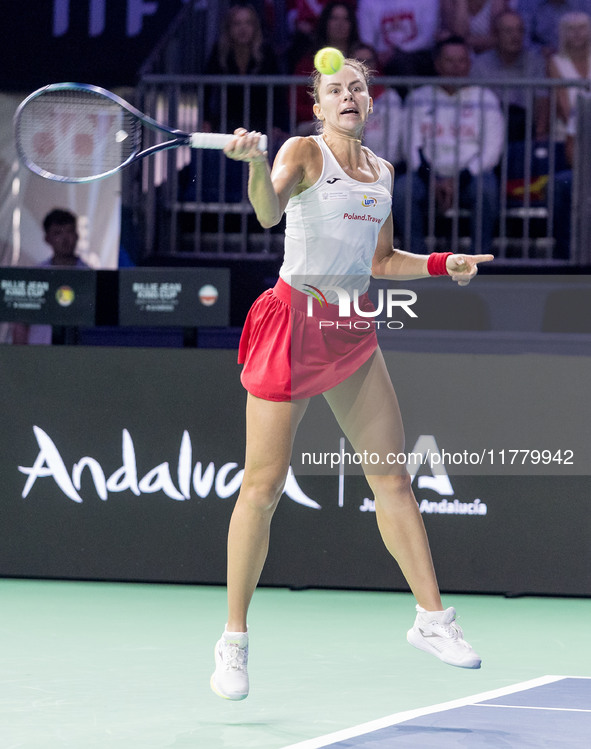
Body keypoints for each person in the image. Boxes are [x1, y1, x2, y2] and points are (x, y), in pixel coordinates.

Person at [209, 57, 493, 701]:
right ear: (318, 104)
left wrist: (445, 263)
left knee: (391, 476)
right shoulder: (303, 152)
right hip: (292, 323)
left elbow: (384, 261)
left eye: (358, 88)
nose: (348, 95)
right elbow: (267, 214)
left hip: (352, 328)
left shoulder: (382, 172)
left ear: (371, 103)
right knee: (262, 486)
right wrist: (256, 166)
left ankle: (432, 620)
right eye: (335, 89)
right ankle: (233, 641)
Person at [393, 36, 505, 254]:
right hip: (426, 175)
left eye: (461, 61)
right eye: (449, 61)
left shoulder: (486, 98)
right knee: (402, 191)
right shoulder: (419, 97)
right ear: (437, 64)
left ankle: (478, 260)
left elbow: (491, 150)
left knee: (487, 190)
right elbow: (411, 146)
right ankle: (417, 260)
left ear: (469, 64)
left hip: (472, 176)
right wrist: (432, 179)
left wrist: (458, 180)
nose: (456, 67)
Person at [11, 209, 89, 346]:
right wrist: (20, 359)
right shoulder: (35, 275)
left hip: (79, 356)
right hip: (39, 354)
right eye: (58, 233)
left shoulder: (90, 276)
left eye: (69, 231)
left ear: (77, 235)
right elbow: (21, 324)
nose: (65, 239)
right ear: (47, 238)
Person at [471, 9, 549, 141]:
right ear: (495, 35)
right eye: (508, 31)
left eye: (520, 30)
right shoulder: (480, 64)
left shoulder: (535, 62)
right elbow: (473, 104)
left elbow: (543, 100)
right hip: (488, 130)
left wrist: (540, 133)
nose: (516, 36)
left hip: (525, 130)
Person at [293, 2, 361, 132]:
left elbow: (378, 92)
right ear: (325, 23)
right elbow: (296, 103)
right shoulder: (308, 62)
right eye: (334, 18)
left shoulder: (362, 57)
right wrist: (326, 114)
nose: (340, 24)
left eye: (345, 19)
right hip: (315, 123)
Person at [355, 0, 446, 77]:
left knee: (405, 63)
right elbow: (367, 41)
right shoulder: (367, 2)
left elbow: (427, 38)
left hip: (418, 56)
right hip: (380, 57)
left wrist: (397, 50)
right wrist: (377, 54)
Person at [548, 11, 591, 141]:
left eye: (582, 28)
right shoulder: (554, 62)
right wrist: (579, 133)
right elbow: (562, 104)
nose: (577, 33)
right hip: (568, 131)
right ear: (563, 33)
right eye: (571, 29)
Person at [443, 0, 511, 56]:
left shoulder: (498, 2)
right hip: (458, 58)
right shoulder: (449, 2)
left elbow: (497, 40)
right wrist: (461, 2)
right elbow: (459, 34)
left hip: (489, 56)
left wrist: (459, 40)